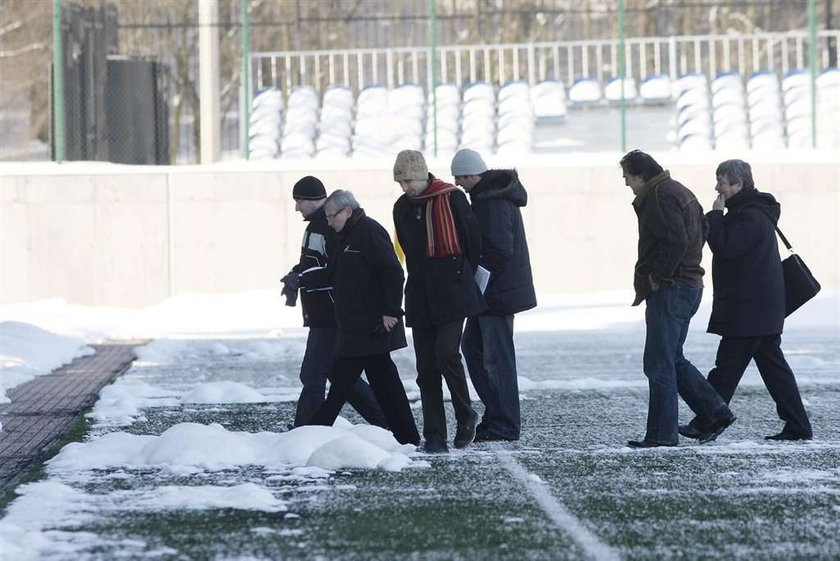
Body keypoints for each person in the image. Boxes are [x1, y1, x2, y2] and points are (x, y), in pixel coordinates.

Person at [681, 159, 813, 441]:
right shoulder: (750, 212)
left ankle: (708, 420)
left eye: (722, 182)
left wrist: (715, 216)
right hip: (758, 308)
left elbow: (726, 247)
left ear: (739, 184)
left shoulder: (750, 215)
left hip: (751, 309)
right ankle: (798, 426)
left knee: (726, 369)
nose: (717, 187)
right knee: (773, 371)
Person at [619, 150, 735, 448]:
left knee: (658, 363)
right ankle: (715, 412)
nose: (627, 184)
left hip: (673, 288)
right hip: (690, 285)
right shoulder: (678, 190)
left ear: (641, 176)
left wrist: (661, 275)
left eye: (628, 178)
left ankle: (661, 434)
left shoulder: (659, 195)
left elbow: (676, 240)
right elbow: (702, 230)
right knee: (672, 359)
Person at [307, 189, 420, 446]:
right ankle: (407, 438)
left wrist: (391, 311)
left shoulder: (369, 231)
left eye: (331, 215)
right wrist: (304, 279)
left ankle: (314, 433)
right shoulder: (344, 236)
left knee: (341, 379)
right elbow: (334, 274)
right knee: (384, 383)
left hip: (371, 325)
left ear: (347, 211)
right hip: (356, 323)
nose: (329, 221)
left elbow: (393, 272)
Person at [392, 149, 485, 453]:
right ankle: (434, 435)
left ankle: (465, 413)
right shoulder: (401, 207)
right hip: (420, 291)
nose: (405, 187)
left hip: (453, 290)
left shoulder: (452, 197)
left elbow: (473, 242)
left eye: (407, 180)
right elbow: (406, 248)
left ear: (421, 175)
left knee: (447, 354)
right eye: (400, 182)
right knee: (426, 368)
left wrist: (460, 274)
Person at [281, 176, 388, 429]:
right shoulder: (317, 226)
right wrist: (296, 274)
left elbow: (334, 268)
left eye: (299, 201)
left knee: (313, 373)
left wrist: (302, 277)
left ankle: (306, 430)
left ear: (314, 200)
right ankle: (386, 422)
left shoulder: (327, 227)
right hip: (324, 312)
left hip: (329, 313)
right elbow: (313, 263)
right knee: (341, 376)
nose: (296, 207)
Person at [450, 148, 536, 442]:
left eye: (460, 177)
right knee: (475, 349)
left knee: (495, 358)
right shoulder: (492, 198)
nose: (459, 183)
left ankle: (505, 423)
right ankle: (498, 416)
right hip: (495, 292)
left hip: (496, 295)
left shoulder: (491, 203)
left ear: (473, 174)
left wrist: (477, 282)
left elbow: (498, 249)